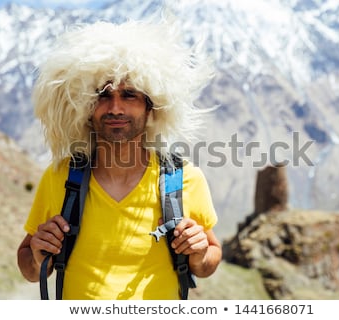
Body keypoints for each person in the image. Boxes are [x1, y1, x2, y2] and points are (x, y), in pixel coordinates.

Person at [16, 19, 222, 300]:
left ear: (152, 107)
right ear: (85, 107)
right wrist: (39, 257)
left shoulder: (184, 178)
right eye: (103, 95)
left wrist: (199, 255)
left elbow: (210, 259)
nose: (115, 107)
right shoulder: (61, 177)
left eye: (129, 95)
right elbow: (29, 266)